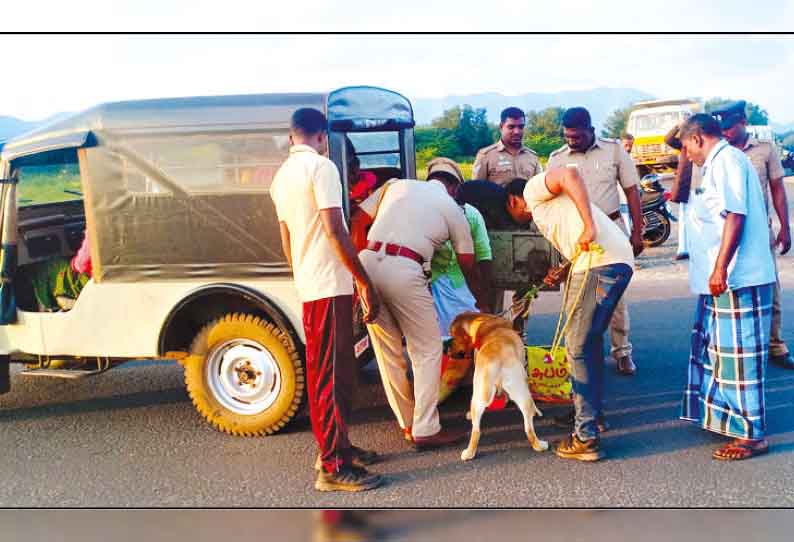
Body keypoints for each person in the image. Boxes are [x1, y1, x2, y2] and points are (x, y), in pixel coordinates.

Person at [270, 107, 383, 492]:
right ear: (322, 137)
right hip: (329, 284)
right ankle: (332, 466)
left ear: (291, 137)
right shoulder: (323, 168)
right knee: (332, 378)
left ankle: (340, 447)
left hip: (312, 283)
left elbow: (286, 239)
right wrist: (363, 281)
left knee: (337, 373)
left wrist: (302, 274)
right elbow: (336, 229)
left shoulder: (282, 176)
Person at [350, 174, 480, 449]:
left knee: (387, 351)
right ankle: (426, 428)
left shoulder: (395, 185)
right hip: (406, 269)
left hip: (368, 262)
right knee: (427, 348)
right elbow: (467, 259)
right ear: (454, 188)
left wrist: (362, 274)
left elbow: (359, 219)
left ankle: (407, 422)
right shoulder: (450, 206)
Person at [517, 168, 635, 461]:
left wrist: (588, 225)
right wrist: (565, 268)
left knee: (577, 347)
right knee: (588, 343)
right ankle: (591, 415)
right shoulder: (551, 209)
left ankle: (585, 436)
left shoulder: (532, 190)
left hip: (600, 264)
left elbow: (570, 174)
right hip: (611, 262)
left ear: (512, 201)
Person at [677, 114, 776, 461]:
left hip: (738, 276)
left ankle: (752, 436)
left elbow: (736, 215)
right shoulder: (716, 163)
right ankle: (730, 420)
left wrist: (720, 268)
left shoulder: (728, 160)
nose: (686, 154)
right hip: (722, 279)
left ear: (699, 137)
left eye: (687, 145)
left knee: (741, 356)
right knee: (719, 352)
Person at [547, 107, 643, 376]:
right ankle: (580, 356)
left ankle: (622, 351)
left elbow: (631, 190)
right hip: (576, 237)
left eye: (577, 136)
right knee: (576, 297)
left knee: (615, 296)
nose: (572, 141)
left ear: (591, 130)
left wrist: (637, 232)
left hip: (611, 230)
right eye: (567, 136)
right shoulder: (557, 159)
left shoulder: (613, 150)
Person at [711, 100, 793, 369]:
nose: (726, 132)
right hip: (724, 233)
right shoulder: (717, 152)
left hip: (759, 233)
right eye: (721, 127)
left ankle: (775, 345)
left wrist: (785, 227)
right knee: (728, 287)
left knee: (770, 288)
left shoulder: (764, 150)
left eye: (730, 127)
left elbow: (777, 189)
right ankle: (740, 346)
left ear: (743, 123)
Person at [426, 158, 493, 335]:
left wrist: (483, 297)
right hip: (432, 284)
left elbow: (483, 257)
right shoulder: (424, 210)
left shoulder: (470, 214)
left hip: (463, 285)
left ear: (456, 189)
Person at [472, 107, 542, 186]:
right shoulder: (486, 156)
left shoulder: (532, 156)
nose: (517, 132)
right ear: (501, 127)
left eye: (521, 127)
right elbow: (476, 190)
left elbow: (539, 189)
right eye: (511, 127)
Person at [664, 123, 693, 261]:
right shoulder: (684, 144)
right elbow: (668, 139)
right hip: (687, 186)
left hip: (702, 187)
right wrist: (677, 126)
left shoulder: (706, 143)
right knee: (684, 218)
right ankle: (683, 249)